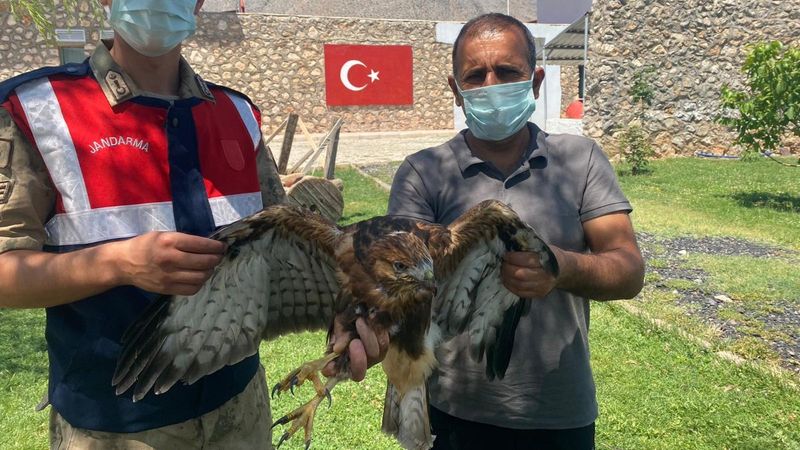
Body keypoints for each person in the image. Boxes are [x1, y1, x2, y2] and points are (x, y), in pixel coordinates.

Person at [0, 1, 384, 448]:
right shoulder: (34, 110)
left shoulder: (238, 115)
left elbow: (288, 246)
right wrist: (117, 264)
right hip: (115, 425)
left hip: (241, 408)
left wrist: (350, 320)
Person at [388, 13, 645, 450]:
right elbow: (396, 286)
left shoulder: (579, 161)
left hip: (558, 412)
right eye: (475, 76)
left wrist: (558, 267)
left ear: (536, 80)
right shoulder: (424, 173)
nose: (491, 85)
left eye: (507, 72)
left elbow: (629, 270)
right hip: (454, 412)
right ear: (456, 90)